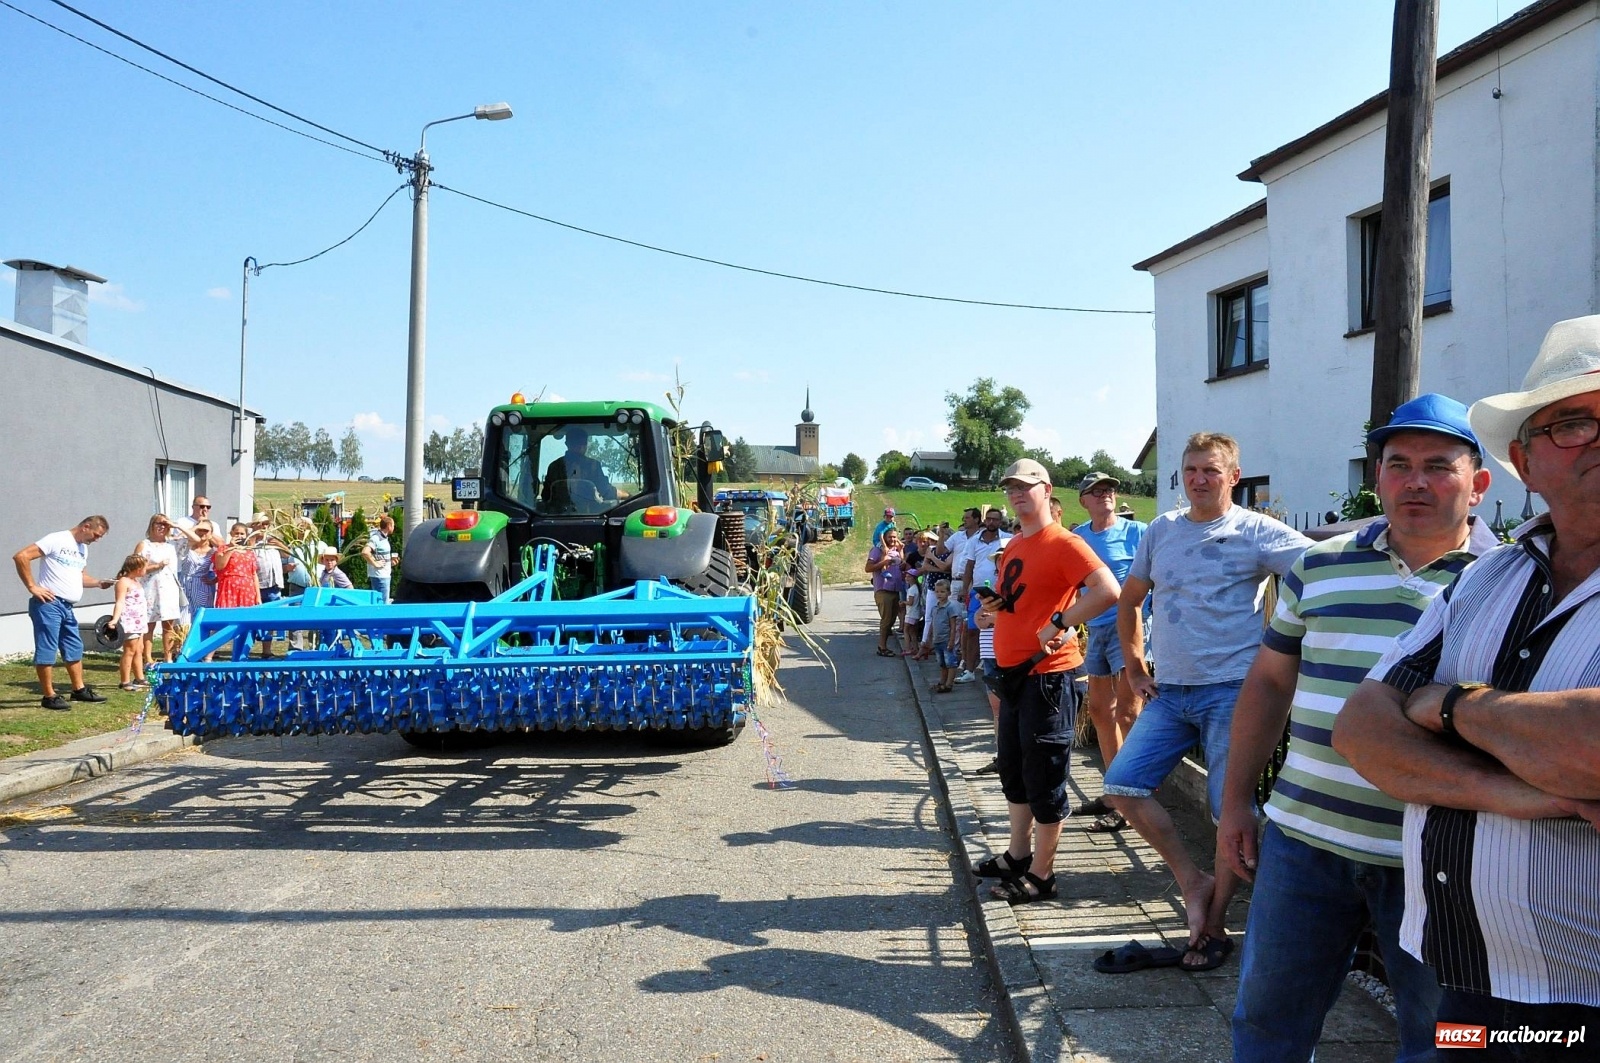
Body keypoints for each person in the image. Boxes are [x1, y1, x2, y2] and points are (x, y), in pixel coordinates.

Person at [1334, 315, 1600, 1055]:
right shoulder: (1487, 578)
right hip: (1466, 980)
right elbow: (1361, 729)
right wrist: (1531, 792)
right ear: (1525, 459)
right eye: (1575, 423)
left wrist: (1451, 704)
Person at [1219, 395, 1496, 1062]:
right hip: (1303, 843)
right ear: (1377, 477)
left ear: (1479, 483)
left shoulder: (1506, 581)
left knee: (1444, 1042)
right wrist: (1234, 801)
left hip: (1442, 859)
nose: (1416, 482)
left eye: (1438, 466)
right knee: (1266, 1023)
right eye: (1397, 465)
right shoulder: (1320, 566)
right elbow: (1267, 684)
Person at [1104, 433, 1310, 969]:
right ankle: (1192, 883)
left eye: (1211, 471)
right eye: (1191, 470)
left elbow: (1321, 573)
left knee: (1230, 814)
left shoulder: (1256, 531)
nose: (1199, 479)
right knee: (1122, 786)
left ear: (1233, 477)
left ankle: (1214, 928)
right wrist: (1133, 667)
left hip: (1233, 693)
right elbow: (1129, 603)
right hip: (1171, 693)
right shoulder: (1162, 531)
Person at [975, 459, 1118, 905]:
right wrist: (990, 612)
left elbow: (1107, 589)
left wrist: (1061, 620)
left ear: (1046, 489)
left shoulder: (1063, 542)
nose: (1018, 494)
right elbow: (1018, 602)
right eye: (1011, 487)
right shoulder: (1017, 543)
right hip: (1014, 676)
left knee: (1045, 776)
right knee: (1015, 771)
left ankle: (1042, 874)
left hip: (1048, 679)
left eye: (1026, 486)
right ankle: (1018, 855)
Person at [1070, 472, 1148, 832]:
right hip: (1096, 629)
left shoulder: (1138, 532)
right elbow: (1069, 586)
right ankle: (1114, 792)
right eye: (1096, 491)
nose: (1105, 495)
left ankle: (1134, 801)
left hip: (1128, 628)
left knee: (1129, 714)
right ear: (1083, 500)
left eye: (1110, 490)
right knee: (1101, 710)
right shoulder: (1078, 537)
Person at [12, 515, 113, 710]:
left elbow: (80, 577)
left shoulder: (82, 548)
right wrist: (33, 586)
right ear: (85, 526)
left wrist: (100, 583)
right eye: (96, 534)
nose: (97, 539)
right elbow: (21, 556)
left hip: (67, 607)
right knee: (47, 648)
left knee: (74, 646)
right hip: (48, 604)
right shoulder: (57, 539)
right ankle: (49, 696)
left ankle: (79, 690)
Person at [957, 507, 1011, 682]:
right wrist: (965, 588)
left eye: (995, 519)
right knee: (973, 629)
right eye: (988, 519)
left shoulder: (1008, 540)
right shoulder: (975, 540)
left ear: (1000, 521)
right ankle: (970, 670)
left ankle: (998, 667)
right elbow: (969, 565)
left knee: (999, 629)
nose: (991, 522)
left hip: (1001, 591)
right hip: (978, 590)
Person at [136, 514, 184, 666]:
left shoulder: (171, 545)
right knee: (149, 624)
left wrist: (175, 526)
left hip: (169, 589)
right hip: (150, 589)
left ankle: (168, 657)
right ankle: (148, 659)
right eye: (159, 523)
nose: (162, 527)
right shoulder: (144, 544)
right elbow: (134, 568)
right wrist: (156, 566)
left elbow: (195, 539)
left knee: (168, 625)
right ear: (151, 525)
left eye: (165, 524)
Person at [540, 426, 617, 511]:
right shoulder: (593, 465)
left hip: (556, 518)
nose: (580, 447)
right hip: (590, 517)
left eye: (582, 443)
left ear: (566, 444)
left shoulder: (554, 466)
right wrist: (628, 496)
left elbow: (546, 496)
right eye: (578, 443)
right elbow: (606, 491)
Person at [107, 553, 151, 691]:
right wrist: (114, 619)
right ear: (137, 568)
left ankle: (139, 678)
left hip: (139, 621)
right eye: (145, 567)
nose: (146, 569)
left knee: (139, 650)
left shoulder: (136, 582)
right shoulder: (123, 582)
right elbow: (120, 602)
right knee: (129, 651)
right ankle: (125, 681)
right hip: (130, 621)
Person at [865, 528, 905, 657]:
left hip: (895, 589)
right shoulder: (877, 550)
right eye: (890, 537)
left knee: (892, 619)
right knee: (886, 620)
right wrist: (884, 562)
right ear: (884, 538)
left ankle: (884, 646)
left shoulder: (896, 551)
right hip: (883, 589)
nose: (892, 540)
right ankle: (882, 647)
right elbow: (868, 568)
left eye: (894, 537)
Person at [921, 578, 963, 693]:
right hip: (937, 640)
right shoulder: (935, 607)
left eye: (942, 591)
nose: (939, 594)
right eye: (937, 591)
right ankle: (942, 682)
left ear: (948, 593)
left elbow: (953, 626)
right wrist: (929, 639)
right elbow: (932, 624)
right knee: (942, 663)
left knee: (951, 662)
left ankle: (949, 684)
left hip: (946, 640)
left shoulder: (950, 607)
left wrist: (951, 641)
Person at [211, 524, 261, 609]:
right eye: (236, 533)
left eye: (242, 534)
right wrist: (231, 548)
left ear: (246, 536)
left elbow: (254, 575)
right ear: (231, 534)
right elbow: (220, 566)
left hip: (247, 590)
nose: (239, 536)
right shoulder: (223, 548)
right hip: (228, 588)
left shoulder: (250, 552)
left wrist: (258, 596)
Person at [363, 514, 395, 603]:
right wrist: (375, 563)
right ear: (389, 526)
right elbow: (365, 552)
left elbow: (379, 555)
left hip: (383, 575)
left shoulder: (384, 538)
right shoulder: (377, 538)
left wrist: (390, 563)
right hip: (380, 576)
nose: (394, 528)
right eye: (393, 525)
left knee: (382, 602)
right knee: (382, 603)